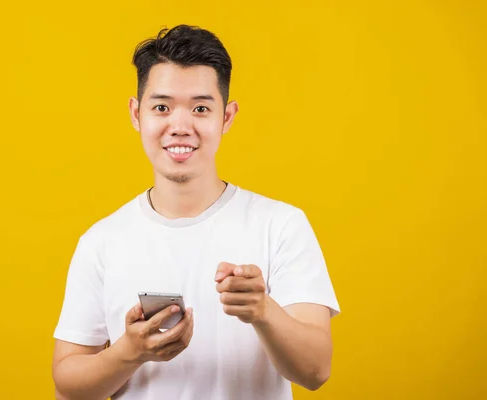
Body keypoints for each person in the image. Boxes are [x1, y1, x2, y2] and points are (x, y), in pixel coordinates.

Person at [51, 25, 340, 400]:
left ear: (227, 117)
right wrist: (128, 353)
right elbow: (67, 387)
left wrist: (263, 311)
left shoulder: (281, 225)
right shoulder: (101, 241)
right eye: (162, 107)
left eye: (201, 108)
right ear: (137, 114)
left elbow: (316, 371)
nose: (180, 127)